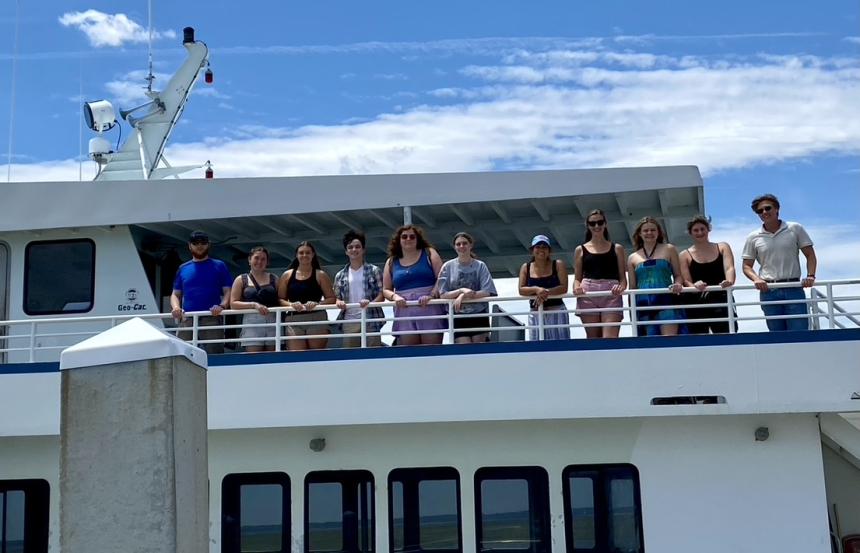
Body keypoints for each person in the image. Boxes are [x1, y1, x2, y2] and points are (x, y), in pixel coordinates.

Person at [742, 194, 816, 331]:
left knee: (799, 334)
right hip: (769, 290)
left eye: (768, 208)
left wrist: (811, 275)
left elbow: (810, 255)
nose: (764, 212)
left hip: (793, 287)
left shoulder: (794, 228)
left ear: (777, 209)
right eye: (760, 211)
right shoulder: (753, 237)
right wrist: (756, 279)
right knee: (777, 336)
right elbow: (746, 266)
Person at [170, 230, 233, 354]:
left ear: (208, 245)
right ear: (190, 245)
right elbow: (175, 294)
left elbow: (228, 291)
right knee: (181, 354)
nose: (199, 246)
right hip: (187, 318)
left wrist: (222, 306)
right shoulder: (183, 268)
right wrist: (176, 308)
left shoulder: (219, 265)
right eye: (195, 243)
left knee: (215, 355)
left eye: (203, 243)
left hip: (212, 318)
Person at [382, 225, 445, 345]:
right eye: (404, 237)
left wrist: (431, 295)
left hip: (429, 308)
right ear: (399, 240)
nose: (408, 239)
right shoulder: (391, 261)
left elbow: (441, 278)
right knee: (409, 353)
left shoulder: (429, 253)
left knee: (431, 351)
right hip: (404, 310)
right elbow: (386, 289)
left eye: (412, 236)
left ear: (418, 239)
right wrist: (395, 297)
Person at [572, 209, 627, 338]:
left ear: (605, 224)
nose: (597, 226)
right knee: (593, 339)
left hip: (612, 293)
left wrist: (621, 287)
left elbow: (623, 278)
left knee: (610, 339)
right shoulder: (580, 249)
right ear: (587, 225)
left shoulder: (617, 248)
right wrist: (576, 288)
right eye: (592, 223)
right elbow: (577, 278)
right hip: (588, 293)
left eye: (600, 222)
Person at [436, 232, 498, 343]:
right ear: (454, 247)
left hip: (479, 314)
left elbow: (488, 291)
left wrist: (463, 296)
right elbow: (443, 294)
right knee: (464, 347)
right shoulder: (447, 266)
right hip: (458, 315)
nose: (461, 246)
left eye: (464, 243)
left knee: (479, 350)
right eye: (458, 244)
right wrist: (461, 291)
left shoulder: (480, 265)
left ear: (470, 245)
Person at [627, 217, 684, 336]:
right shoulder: (632, 257)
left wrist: (678, 284)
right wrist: (632, 312)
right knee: (650, 343)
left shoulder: (669, 249)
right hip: (643, 304)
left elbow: (678, 275)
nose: (649, 233)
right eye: (646, 230)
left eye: (653, 230)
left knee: (670, 340)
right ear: (640, 233)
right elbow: (632, 287)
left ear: (658, 232)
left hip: (667, 300)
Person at [679, 216, 737, 334]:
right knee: (698, 339)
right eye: (696, 230)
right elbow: (686, 280)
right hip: (696, 302)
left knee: (727, 335)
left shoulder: (722, 247)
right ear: (690, 233)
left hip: (721, 298)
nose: (700, 232)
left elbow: (729, 267)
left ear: (708, 230)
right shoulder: (684, 255)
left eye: (702, 229)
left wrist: (729, 282)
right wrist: (694, 286)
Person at [277, 241, 336, 350]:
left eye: (308, 253)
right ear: (296, 255)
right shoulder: (287, 275)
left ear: (313, 255)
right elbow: (280, 299)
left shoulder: (320, 275)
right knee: (296, 356)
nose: (304, 255)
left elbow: (332, 298)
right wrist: (291, 304)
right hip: (293, 319)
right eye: (301, 253)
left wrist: (317, 304)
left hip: (317, 317)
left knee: (316, 355)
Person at [333, 230, 385, 348]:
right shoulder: (340, 275)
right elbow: (336, 297)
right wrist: (339, 302)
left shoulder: (374, 270)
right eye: (350, 247)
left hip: (370, 318)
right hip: (349, 320)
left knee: (374, 356)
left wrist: (370, 303)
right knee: (350, 358)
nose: (354, 250)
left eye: (357, 246)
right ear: (346, 251)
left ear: (363, 250)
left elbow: (381, 295)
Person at [518, 235, 570, 341]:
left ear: (549, 251)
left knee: (560, 346)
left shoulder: (558, 264)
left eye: (544, 247)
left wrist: (545, 292)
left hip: (557, 311)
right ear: (532, 250)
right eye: (538, 247)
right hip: (535, 312)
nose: (541, 249)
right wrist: (537, 289)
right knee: (536, 346)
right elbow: (521, 290)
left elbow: (564, 288)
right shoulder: (525, 267)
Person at [229, 246, 279, 352]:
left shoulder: (274, 279)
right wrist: (254, 305)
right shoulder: (241, 279)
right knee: (254, 356)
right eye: (256, 258)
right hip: (252, 322)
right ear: (249, 260)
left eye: (263, 259)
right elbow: (233, 303)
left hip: (272, 320)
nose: (259, 262)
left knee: (273, 358)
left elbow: (281, 299)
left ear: (267, 262)